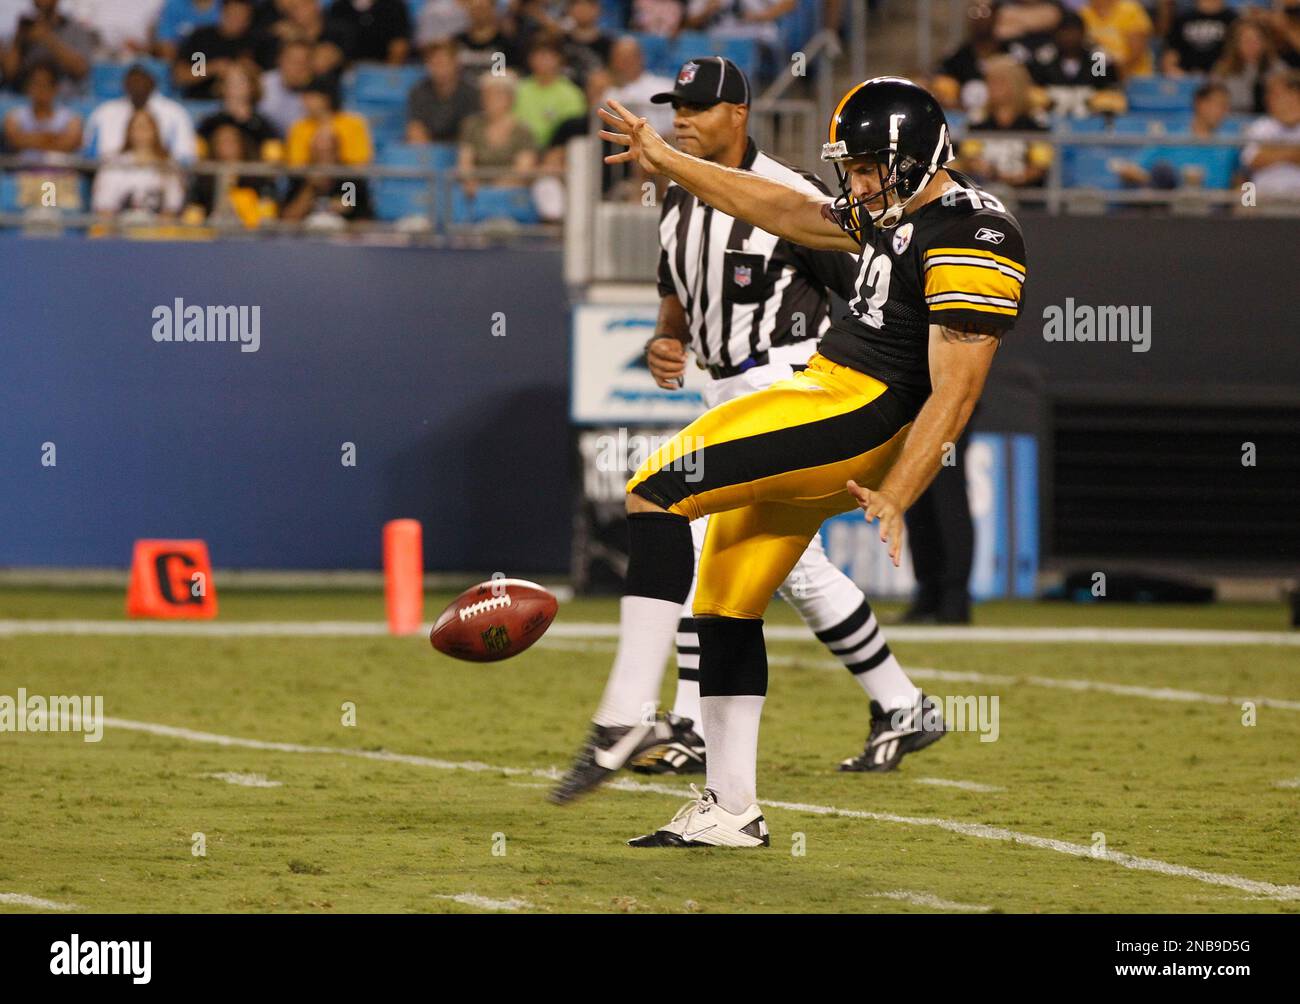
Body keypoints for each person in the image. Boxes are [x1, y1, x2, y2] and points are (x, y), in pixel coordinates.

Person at [557, 77, 1026, 847]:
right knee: (725, 600)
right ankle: (732, 809)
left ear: (921, 156)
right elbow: (781, 208)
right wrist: (669, 159)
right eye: (856, 166)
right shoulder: (891, 211)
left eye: (874, 166)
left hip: (858, 409)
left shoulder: (973, 232)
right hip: (830, 394)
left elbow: (957, 389)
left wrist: (901, 490)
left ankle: (624, 716)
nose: (861, 181)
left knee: (657, 486)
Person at [583, 56, 943, 782]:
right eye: (675, 105)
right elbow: (673, 286)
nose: (680, 117)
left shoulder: (799, 194)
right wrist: (667, 336)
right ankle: (902, 705)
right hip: (723, 388)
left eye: (696, 106)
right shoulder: (681, 191)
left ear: (739, 113)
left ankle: (681, 722)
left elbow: (867, 286)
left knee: (694, 526)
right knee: (781, 566)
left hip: (790, 380)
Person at [1112, 80, 1239, 191]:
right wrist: (1162, 185)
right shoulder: (1171, 141)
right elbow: (1128, 169)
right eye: (1219, 105)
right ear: (1200, 104)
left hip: (1218, 213)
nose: (1223, 111)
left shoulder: (1230, 145)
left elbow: (1240, 180)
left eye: (1226, 106)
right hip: (1175, 211)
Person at [959, 55, 1053, 188]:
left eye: (999, 82)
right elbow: (969, 156)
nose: (992, 87)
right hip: (985, 191)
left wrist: (1014, 179)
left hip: (1026, 194)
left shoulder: (1036, 119)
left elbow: (1040, 165)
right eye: (989, 82)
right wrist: (984, 169)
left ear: (1016, 84)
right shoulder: (977, 117)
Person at [84, 62, 198, 163]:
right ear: (124, 83)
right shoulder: (104, 112)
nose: (137, 84)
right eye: (132, 80)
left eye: (141, 79)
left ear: (153, 82)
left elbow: (186, 157)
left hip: (162, 174)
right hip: (113, 174)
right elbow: (90, 158)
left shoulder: (175, 113)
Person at [91, 106, 186, 217]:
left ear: (155, 131)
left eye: (146, 127)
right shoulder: (113, 163)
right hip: (119, 230)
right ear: (129, 131)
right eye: (137, 127)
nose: (141, 132)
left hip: (158, 230)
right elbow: (103, 206)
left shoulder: (168, 165)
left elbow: (173, 206)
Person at [1028, 10, 1125, 119]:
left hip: (1090, 113)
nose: (1069, 37)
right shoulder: (1044, 57)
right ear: (1057, 34)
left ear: (1083, 33)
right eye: (1065, 32)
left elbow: (1105, 88)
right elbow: (1035, 87)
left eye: (1073, 32)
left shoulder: (1098, 58)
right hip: (1050, 113)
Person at [457, 69, 536, 194]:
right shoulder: (471, 125)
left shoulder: (523, 130)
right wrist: (471, 182)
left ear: (510, 98)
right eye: (486, 94)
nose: (489, 99)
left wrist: (494, 190)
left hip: (510, 193)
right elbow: (465, 162)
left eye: (496, 94)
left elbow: (524, 169)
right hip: (475, 192)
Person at [173, 0, 259, 98]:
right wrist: (213, 68)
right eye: (231, 14)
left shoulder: (253, 43)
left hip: (237, 104)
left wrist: (244, 69)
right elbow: (180, 76)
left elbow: (260, 81)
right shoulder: (202, 38)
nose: (235, 20)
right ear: (222, 13)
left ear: (248, 20)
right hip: (200, 102)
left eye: (241, 17)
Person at [513, 33, 586, 147]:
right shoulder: (518, 89)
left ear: (559, 59)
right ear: (530, 58)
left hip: (558, 151)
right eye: (538, 54)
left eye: (548, 54)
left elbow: (572, 131)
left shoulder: (571, 93)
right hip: (521, 150)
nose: (543, 59)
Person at [1, 0, 92, 90]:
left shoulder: (75, 29)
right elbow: (10, 71)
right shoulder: (25, 28)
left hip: (66, 99)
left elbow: (81, 70)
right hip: (25, 99)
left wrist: (47, 38)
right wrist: (19, 40)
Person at [285, 75, 372, 165]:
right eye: (304, 97)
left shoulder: (353, 124)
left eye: (311, 97)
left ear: (326, 99)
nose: (304, 102)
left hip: (346, 177)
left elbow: (360, 162)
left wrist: (334, 153)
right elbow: (296, 164)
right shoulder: (299, 127)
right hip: (310, 177)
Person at [406, 37, 479, 144]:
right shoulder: (418, 91)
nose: (440, 70)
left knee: (470, 129)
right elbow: (415, 126)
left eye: (444, 64)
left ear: (456, 64)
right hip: (429, 147)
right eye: (434, 64)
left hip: (460, 148)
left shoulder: (471, 92)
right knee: (413, 131)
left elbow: (471, 128)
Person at [197, 61, 279, 156]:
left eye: (241, 81)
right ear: (222, 87)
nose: (236, 87)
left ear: (252, 86)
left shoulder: (261, 125)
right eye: (231, 82)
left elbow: (273, 154)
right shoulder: (211, 123)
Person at [1241, 68, 1300, 201]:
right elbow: (1253, 161)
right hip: (1263, 199)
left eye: (1275, 94)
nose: (1267, 98)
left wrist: (1272, 150)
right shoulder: (1258, 127)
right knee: (1244, 203)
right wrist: (1293, 151)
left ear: (1294, 95)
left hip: (1298, 202)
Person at [1213, 18, 1278, 114]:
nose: (1252, 45)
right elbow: (1214, 104)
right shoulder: (1222, 70)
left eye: (1257, 40)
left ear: (1265, 43)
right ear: (1235, 43)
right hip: (1231, 121)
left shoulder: (1279, 69)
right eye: (1246, 40)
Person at [1080, 0, 1154, 79]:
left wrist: (1114, 73)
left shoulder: (1130, 10)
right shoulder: (1083, 13)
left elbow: (1136, 53)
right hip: (1097, 79)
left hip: (1134, 79)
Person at [1161, 0, 1236, 77]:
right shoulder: (1182, 19)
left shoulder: (1233, 19)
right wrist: (1188, 79)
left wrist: (1219, 75)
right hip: (1185, 80)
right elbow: (1169, 59)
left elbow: (1238, 57)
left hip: (1224, 78)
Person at [327, 0, 410, 64]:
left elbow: (400, 44)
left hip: (382, 69)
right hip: (345, 70)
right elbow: (330, 46)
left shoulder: (394, 6)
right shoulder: (339, 7)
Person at [258, 36, 311, 134]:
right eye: (293, 61)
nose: (299, 67)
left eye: (304, 62)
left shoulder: (317, 93)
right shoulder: (262, 84)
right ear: (280, 60)